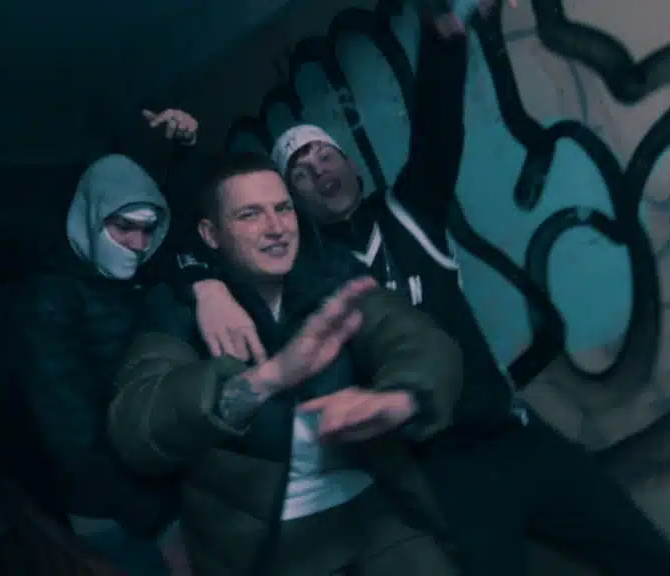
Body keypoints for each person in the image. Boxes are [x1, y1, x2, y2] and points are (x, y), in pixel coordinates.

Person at [173, 4, 670, 576]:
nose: (319, 169)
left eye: (326, 154)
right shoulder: (302, 274)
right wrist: (203, 281)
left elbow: (438, 129)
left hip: (514, 435)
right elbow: (219, 234)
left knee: (655, 560)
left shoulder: (408, 212)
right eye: (300, 170)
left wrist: (444, 42)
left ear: (351, 166)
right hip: (438, 471)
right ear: (293, 201)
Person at [107, 153, 465, 576]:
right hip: (260, 541)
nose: (276, 228)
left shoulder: (331, 274)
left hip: (374, 511)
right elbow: (137, 427)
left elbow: (416, 339)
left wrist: (403, 397)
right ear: (211, 234)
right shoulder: (177, 308)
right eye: (250, 215)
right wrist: (266, 379)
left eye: (283, 209)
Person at [13, 108, 199, 576]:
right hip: (106, 510)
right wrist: (159, 523)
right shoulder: (49, 300)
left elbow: (195, 231)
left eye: (147, 229)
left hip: (169, 492)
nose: (138, 242)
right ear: (93, 219)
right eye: (124, 227)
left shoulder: (145, 279)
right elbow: (72, 438)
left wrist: (185, 152)